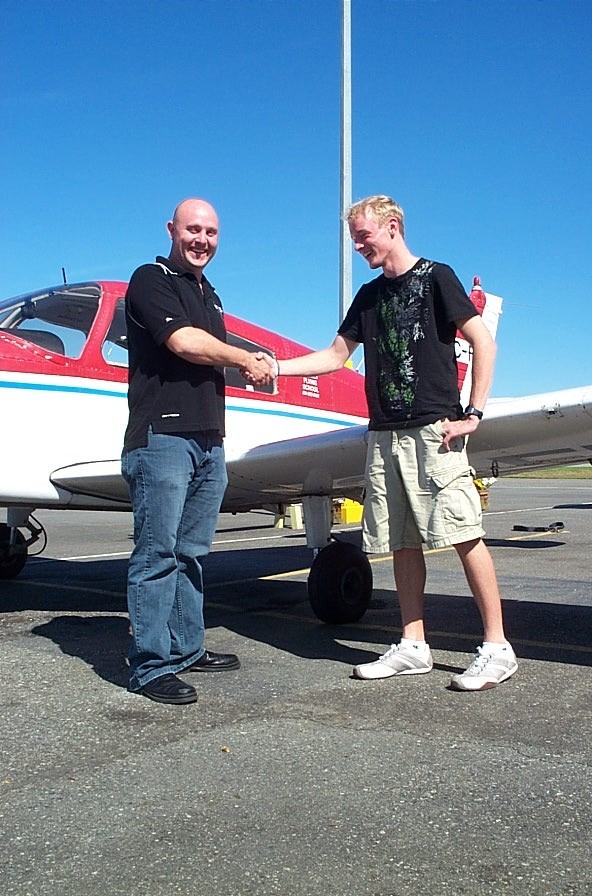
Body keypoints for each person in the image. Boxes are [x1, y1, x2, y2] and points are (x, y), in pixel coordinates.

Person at [274, 195, 517, 691]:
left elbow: (483, 341)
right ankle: (413, 645)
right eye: (354, 238)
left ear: (392, 227)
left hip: (435, 430)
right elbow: (334, 356)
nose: (359, 245)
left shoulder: (436, 277)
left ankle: (497, 647)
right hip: (384, 434)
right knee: (400, 541)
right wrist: (275, 367)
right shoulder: (368, 296)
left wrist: (473, 413)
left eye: (363, 236)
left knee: (463, 532)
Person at [122, 198, 275, 704]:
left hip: (209, 442)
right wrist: (248, 358)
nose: (202, 240)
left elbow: (205, 350)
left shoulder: (209, 293)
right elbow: (185, 343)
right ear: (172, 229)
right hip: (162, 439)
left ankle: (187, 649)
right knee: (156, 553)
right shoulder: (151, 278)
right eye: (193, 229)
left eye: (210, 232)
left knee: (190, 553)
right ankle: (149, 665)